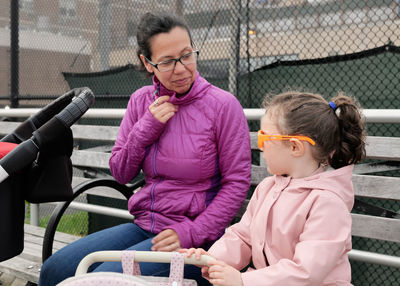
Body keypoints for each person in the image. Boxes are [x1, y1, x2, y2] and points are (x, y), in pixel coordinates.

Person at [38, 12, 251, 286]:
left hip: (197, 241)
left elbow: (236, 183)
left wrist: (192, 231)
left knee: (102, 279)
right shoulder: (140, 102)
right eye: (167, 62)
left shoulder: (223, 106)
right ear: (147, 63)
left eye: (187, 55)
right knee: (54, 271)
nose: (182, 68)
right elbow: (121, 172)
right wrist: (146, 127)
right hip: (144, 226)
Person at [183, 91, 366, 286]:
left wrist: (243, 281)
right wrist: (213, 259)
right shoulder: (268, 188)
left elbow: (306, 272)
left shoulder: (328, 203)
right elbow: (243, 237)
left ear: (295, 147)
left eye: (264, 138)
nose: (261, 147)